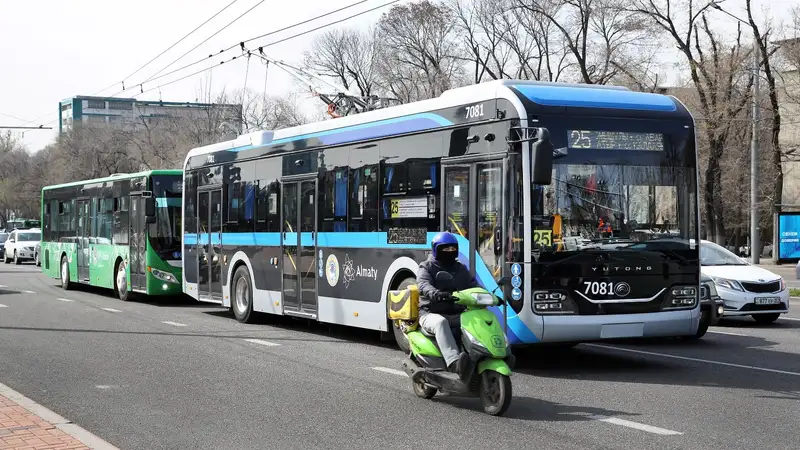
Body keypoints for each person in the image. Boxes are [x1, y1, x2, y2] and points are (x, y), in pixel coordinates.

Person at [416, 231, 478, 378]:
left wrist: (489, 296)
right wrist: (436, 293)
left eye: (452, 249)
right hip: (430, 313)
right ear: (436, 249)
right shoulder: (426, 267)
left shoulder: (460, 268)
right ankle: (454, 362)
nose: (450, 252)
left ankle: (480, 356)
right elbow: (424, 285)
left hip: (456, 312)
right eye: (445, 249)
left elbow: (473, 285)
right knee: (441, 322)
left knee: (477, 319)